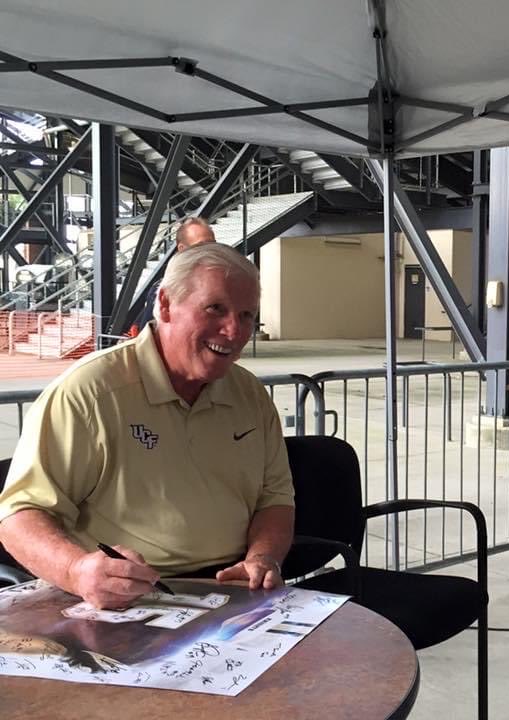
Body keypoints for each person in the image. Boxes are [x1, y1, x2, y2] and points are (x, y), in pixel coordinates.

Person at [0, 243, 294, 610]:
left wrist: (263, 557)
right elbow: (18, 517)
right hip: (128, 599)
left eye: (248, 315)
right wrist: (78, 571)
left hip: (235, 594)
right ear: (166, 304)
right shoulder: (90, 393)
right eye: (215, 308)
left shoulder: (250, 395)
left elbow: (276, 499)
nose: (235, 330)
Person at [128, 217, 216, 335]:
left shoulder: (220, 283)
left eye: (212, 244)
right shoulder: (165, 288)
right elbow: (149, 336)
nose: (210, 250)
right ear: (182, 249)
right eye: (201, 245)